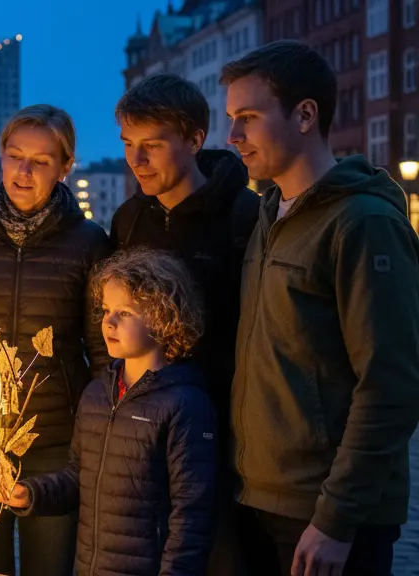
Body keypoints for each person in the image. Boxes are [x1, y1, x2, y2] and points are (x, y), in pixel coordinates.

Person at [223, 40, 419, 576]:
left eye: (248, 117)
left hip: (326, 517)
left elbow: (391, 386)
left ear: (305, 114)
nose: (232, 136)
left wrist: (336, 518)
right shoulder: (271, 215)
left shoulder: (363, 223)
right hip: (262, 499)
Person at [0, 104, 111, 576]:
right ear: (0, 157)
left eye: (40, 161)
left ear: (65, 167)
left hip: (53, 441)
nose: (24, 170)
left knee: (50, 567)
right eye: (15, 156)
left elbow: (101, 353)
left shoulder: (89, 242)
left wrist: (96, 435)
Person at [0, 247, 216, 576]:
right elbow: (78, 477)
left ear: (163, 319)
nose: (109, 322)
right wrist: (29, 493)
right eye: (106, 310)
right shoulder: (97, 395)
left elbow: (192, 515)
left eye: (125, 313)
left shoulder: (184, 404)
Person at [111, 74, 259, 575]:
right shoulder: (129, 220)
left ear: (195, 140)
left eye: (152, 145)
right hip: (145, 432)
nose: (138, 160)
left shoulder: (244, 216)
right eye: (129, 145)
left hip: (221, 433)